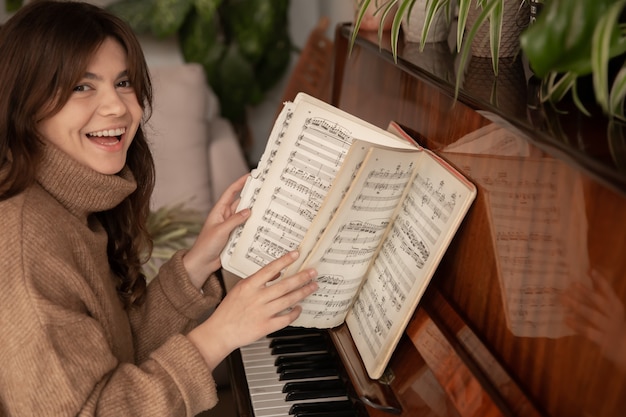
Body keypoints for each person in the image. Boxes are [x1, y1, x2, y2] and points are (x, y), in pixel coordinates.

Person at [0, 1, 318, 416]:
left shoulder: (69, 207)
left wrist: (198, 262)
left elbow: (116, 350)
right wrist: (221, 333)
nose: (118, 108)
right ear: (26, 104)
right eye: (83, 86)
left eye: (124, 82)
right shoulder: (25, 242)